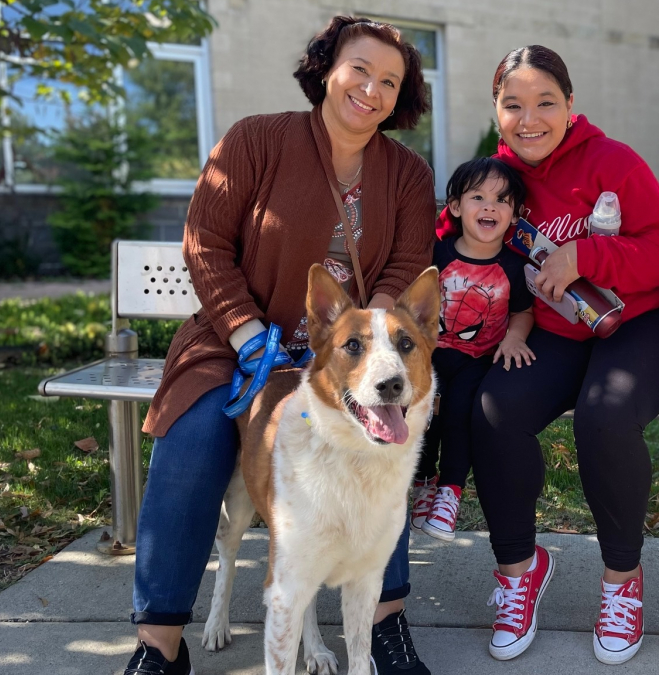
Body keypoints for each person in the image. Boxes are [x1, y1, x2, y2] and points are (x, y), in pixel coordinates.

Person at [123, 17, 436, 675]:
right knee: (195, 437)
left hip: (342, 357)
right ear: (326, 67)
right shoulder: (256, 140)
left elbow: (406, 267)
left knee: (383, 437)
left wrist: (359, 353)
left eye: (389, 81)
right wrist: (247, 336)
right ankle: (159, 645)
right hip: (234, 346)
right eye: (360, 69)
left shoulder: (407, 173)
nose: (371, 89)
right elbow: (205, 243)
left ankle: (383, 624)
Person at [436, 45, 659, 666]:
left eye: (546, 103)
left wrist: (588, 258)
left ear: (570, 106)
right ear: (496, 111)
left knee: (606, 417)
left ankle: (622, 582)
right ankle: (519, 570)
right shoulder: (494, 181)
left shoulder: (613, 161)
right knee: (494, 410)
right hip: (550, 331)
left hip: (639, 324)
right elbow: (449, 240)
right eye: (513, 105)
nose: (530, 119)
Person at [411, 157, 535, 541]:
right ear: (454, 206)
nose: (489, 206)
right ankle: (422, 482)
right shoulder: (437, 254)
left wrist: (515, 337)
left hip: (477, 360)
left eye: (501, 199)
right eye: (477, 197)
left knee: (460, 413)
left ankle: (450, 492)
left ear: (514, 213)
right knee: (423, 413)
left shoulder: (513, 266)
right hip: (429, 356)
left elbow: (524, 311)